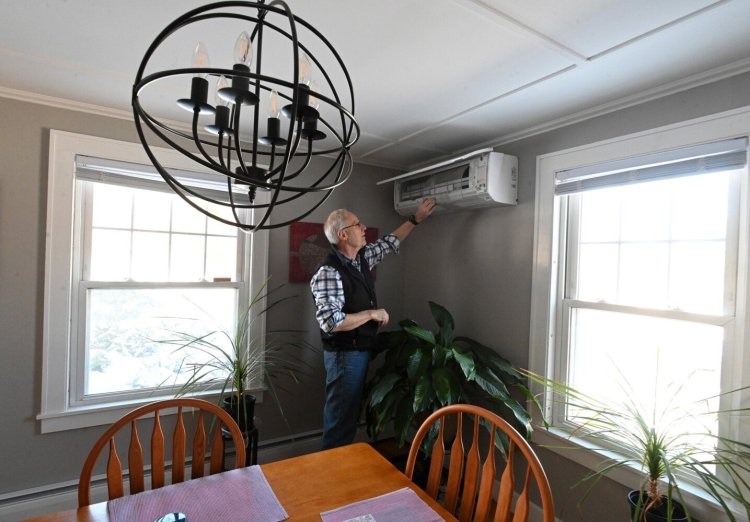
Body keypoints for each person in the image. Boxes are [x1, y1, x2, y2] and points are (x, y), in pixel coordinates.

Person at [310, 197, 437, 449]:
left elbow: (390, 242)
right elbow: (330, 322)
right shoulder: (329, 271)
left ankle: (340, 471)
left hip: (358, 352)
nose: (364, 227)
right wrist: (371, 314)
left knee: (346, 416)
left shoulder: (361, 258)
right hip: (344, 356)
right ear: (343, 235)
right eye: (358, 225)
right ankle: (332, 481)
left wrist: (415, 219)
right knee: (340, 422)